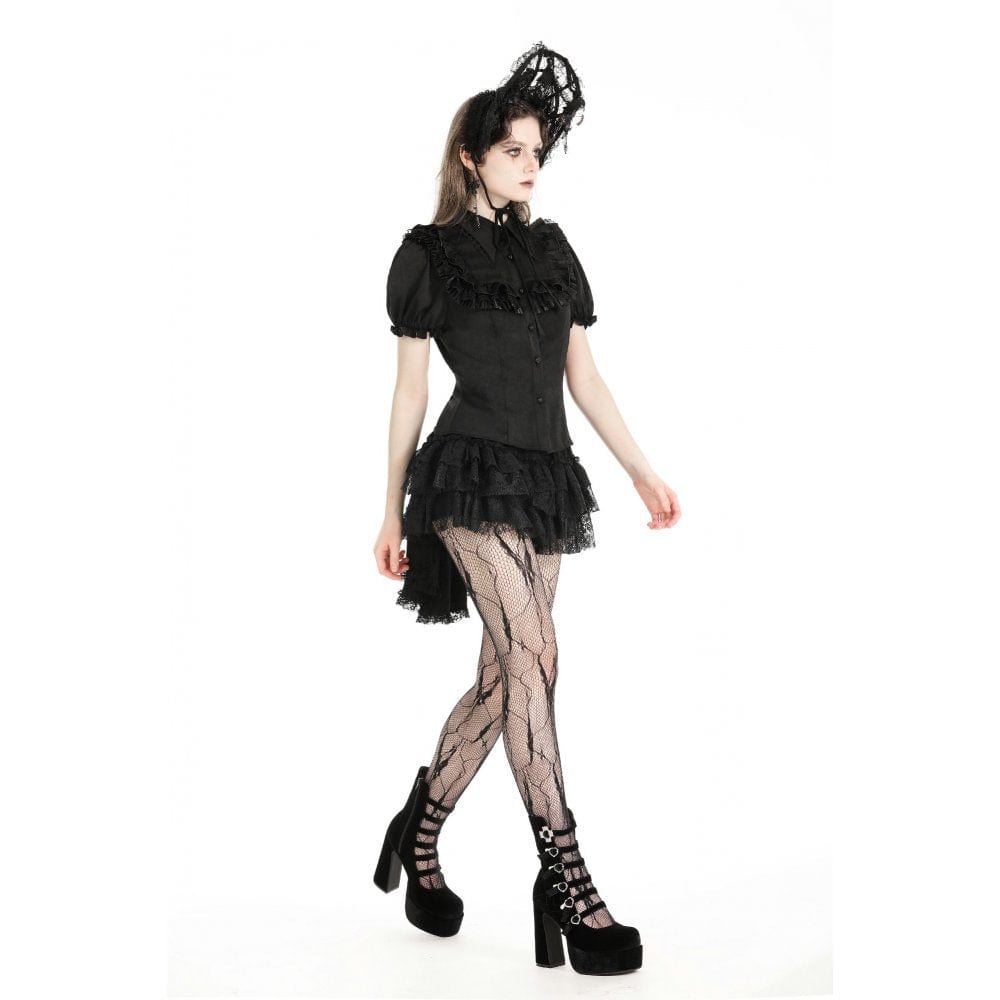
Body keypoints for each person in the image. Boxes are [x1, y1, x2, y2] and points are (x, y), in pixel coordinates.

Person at [371, 42, 680, 976]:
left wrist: (640, 469)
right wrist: (389, 510)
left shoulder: (551, 250)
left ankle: (419, 831)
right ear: (472, 156)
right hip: (466, 475)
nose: (530, 165)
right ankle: (566, 874)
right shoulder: (428, 255)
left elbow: (585, 376)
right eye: (513, 151)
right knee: (537, 655)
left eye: (538, 152)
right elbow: (410, 393)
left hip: (545, 478)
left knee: (509, 677)